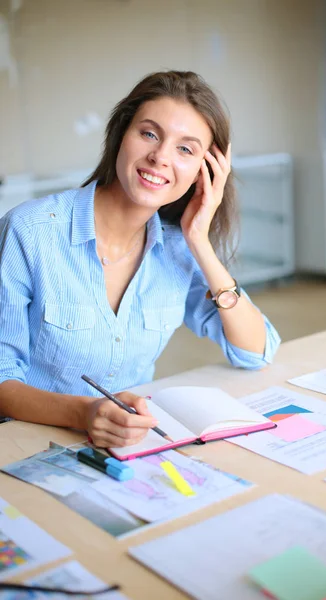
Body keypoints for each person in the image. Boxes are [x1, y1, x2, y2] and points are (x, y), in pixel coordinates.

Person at [0, 70, 280, 448]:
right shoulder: (29, 231)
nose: (160, 157)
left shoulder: (179, 247)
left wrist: (200, 241)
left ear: (205, 170)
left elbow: (256, 352)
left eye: (186, 149)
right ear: (120, 136)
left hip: (126, 447)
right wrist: (84, 413)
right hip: (25, 443)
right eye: (149, 133)